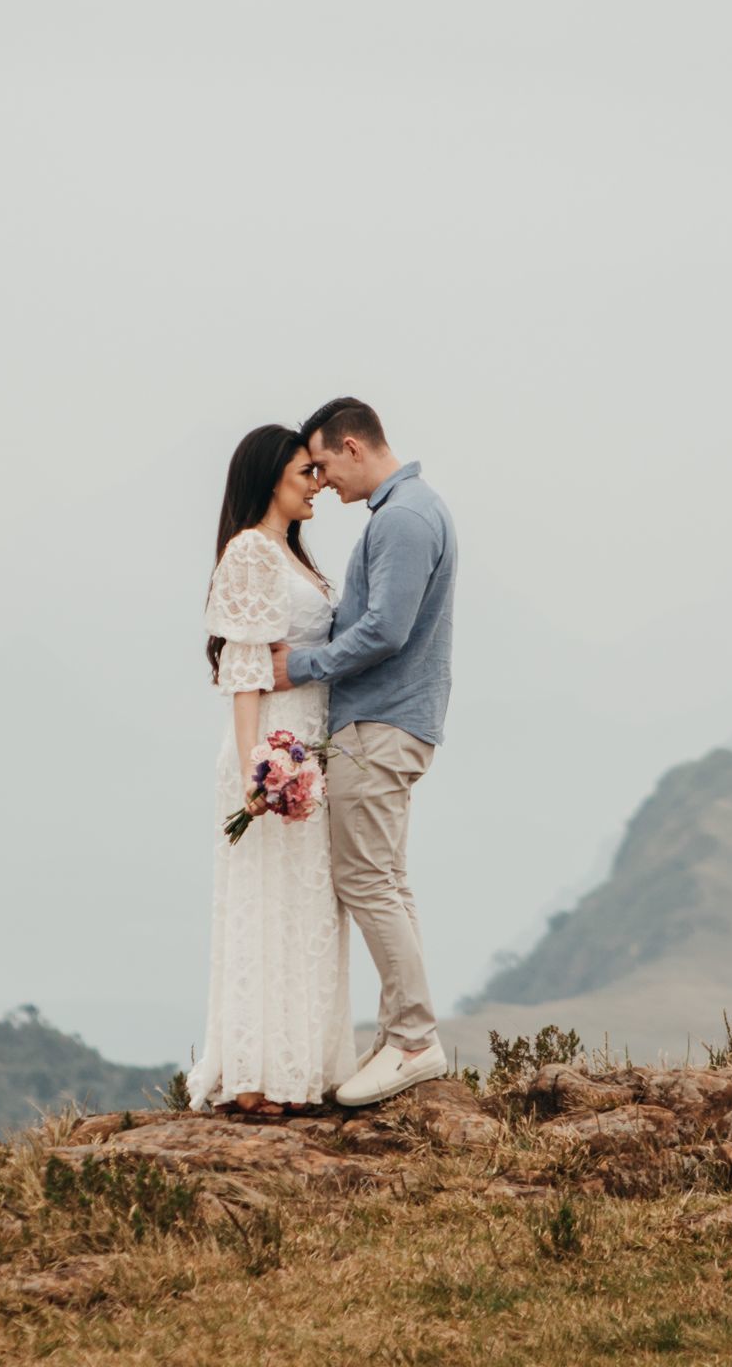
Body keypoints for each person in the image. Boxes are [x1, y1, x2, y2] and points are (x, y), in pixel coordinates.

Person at [271, 397, 457, 1106]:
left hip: (380, 725)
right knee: (386, 878)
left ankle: (412, 1039)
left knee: (365, 880)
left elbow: (385, 630)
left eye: (322, 464)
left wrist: (303, 668)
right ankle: (400, 1034)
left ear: (352, 447)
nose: (321, 482)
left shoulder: (405, 518)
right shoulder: (407, 510)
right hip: (391, 723)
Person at [185, 425, 356, 1115]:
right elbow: (246, 664)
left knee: (307, 906)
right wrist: (261, 766)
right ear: (269, 480)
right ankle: (255, 1075)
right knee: (266, 905)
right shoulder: (253, 551)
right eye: (303, 473)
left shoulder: (296, 556)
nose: (317, 483)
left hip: (305, 751)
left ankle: (301, 1067)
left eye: (318, 472)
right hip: (272, 751)